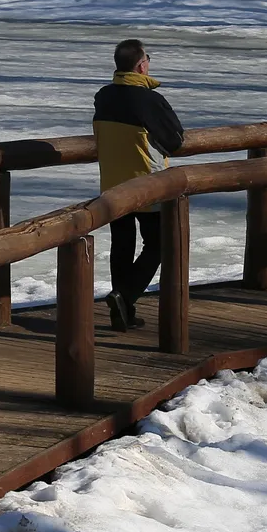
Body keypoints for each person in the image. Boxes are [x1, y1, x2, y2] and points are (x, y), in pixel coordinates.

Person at [94, 39, 185, 331]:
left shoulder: (103, 96)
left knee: (122, 245)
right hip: (147, 183)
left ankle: (123, 313)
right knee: (159, 244)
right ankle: (125, 296)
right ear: (141, 66)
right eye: (148, 59)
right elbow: (175, 141)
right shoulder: (149, 100)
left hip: (112, 184)